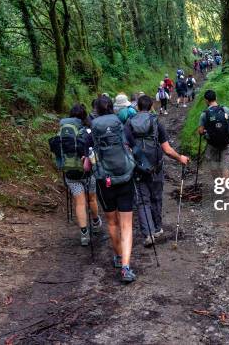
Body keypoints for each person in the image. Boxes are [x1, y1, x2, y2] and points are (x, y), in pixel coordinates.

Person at [126, 95, 189, 247]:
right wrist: (180, 157)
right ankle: (157, 228)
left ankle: (148, 234)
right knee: (156, 197)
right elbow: (167, 149)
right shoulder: (156, 122)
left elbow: (126, 148)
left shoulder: (128, 123)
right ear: (151, 106)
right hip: (156, 167)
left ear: (138, 107)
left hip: (138, 168)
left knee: (142, 201)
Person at [91, 96, 138, 283]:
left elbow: (89, 156)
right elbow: (131, 146)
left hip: (105, 180)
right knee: (127, 225)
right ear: (112, 108)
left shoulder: (93, 128)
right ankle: (126, 268)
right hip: (125, 176)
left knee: (112, 223)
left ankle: (118, 257)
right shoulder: (121, 123)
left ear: (96, 110)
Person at [57, 104, 102, 246]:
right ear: (84, 116)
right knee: (92, 199)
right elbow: (93, 152)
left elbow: (58, 151)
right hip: (87, 172)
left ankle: (84, 234)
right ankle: (95, 222)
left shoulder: (62, 132)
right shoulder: (87, 131)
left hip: (70, 173)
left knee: (79, 202)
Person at [197, 90, 229, 178]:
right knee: (225, 168)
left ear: (206, 100)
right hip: (226, 142)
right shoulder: (225, 109)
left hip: (213, 144)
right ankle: (225, 190)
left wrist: (206, 131)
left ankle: (217, 185)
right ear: (216, 98)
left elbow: (200, 131)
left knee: (213, 166)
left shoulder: (205, 114)